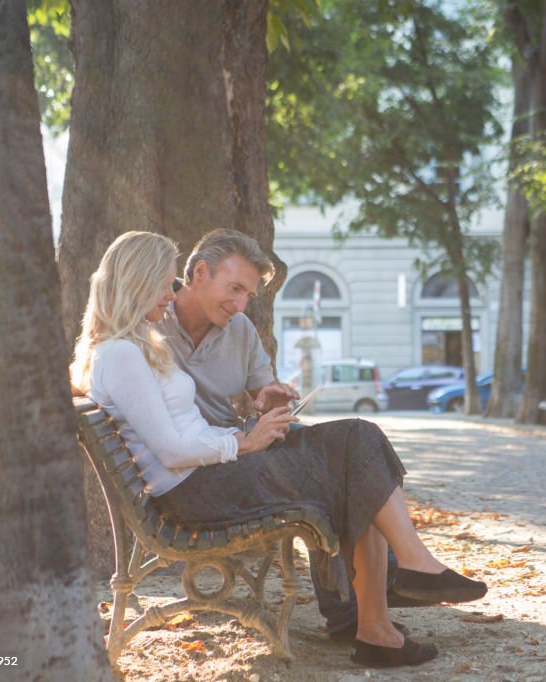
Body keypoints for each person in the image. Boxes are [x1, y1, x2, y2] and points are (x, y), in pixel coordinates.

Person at [71, 231, 487, 668]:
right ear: (142, 281)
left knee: (359, 443)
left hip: (212, 469)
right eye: (163, 283)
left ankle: (379, 609)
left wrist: (257, 416)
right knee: (354, 455)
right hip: (198, 485)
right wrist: (243, 442)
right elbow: (172, 450)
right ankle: (384, 608)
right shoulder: (125, 350)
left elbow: (167, 424)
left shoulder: (134, 344)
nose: (168, 293)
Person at [154, 229, 412, 639]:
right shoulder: (153, 322)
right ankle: (376, 591)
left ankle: (367, 600)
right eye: (234, 288)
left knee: (348, 447)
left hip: (241, 450)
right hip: (205, 468)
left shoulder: (240, 330)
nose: (240, 305)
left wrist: (270, 397)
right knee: (334, 466)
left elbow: (262, 393)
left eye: (248, 295)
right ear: (199, 272)